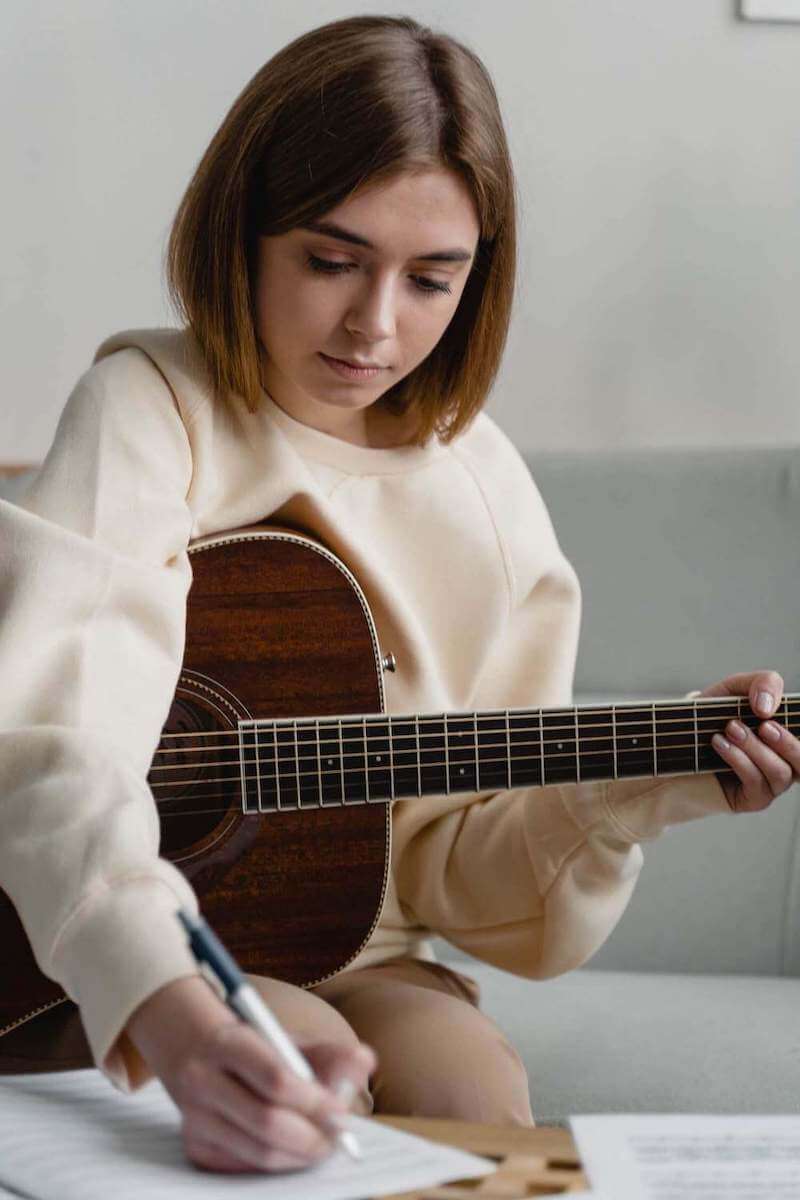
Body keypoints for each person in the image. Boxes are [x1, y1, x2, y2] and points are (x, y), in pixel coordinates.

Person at [1, 12, 798, 1177]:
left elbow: (457, 873)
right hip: (119, 932)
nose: (374, 326)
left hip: (367, 942)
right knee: (302, 1053)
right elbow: (53, 742)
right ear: (243, 234)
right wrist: (167, 1002)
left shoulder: (481, 488)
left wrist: (635, 788)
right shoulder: (146, 409)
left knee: (469, 1088)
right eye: (330, 260)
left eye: (432, 278)